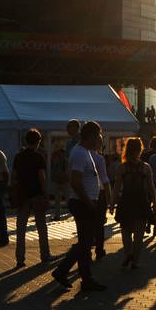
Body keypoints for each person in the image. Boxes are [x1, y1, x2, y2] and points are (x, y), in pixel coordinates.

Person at [53, 121, 108, 293]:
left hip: (85, 202)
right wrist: (89, 202)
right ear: (91, 136)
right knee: (86, 242)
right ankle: (63, 270)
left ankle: (85, 279)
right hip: (82, 203)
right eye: (98, 136)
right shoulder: (79, 153)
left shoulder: (85, 152)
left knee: (85, 243)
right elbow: (75, 181)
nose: (99, 139)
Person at [10, 128, 52, 267]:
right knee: (41, 227)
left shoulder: (18, 157)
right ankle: (45, 255)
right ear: (38, 141)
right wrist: (46, 194)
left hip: (23, 196)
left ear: (26, 140)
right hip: (37, 194)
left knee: (21, 228)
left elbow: (14, 176)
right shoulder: (39, 157)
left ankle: (20, 258)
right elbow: (41, 177)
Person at [114, 137, 156, 271]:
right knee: (139, 234)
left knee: (125, 231)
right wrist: (155, 202)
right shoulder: (145, 167)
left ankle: (128, 254)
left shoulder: (122, 167)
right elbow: (151, 187)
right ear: (140, 149)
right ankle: (135, 261)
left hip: (126, 201)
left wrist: (112, 203)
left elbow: (116, 187)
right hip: (141, 201)